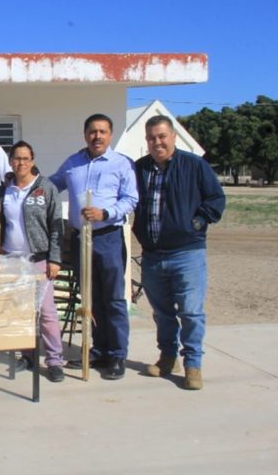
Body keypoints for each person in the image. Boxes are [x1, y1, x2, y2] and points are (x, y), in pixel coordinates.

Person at [133, 115, 225, 390]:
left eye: (161, 136)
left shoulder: (194, 165)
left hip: (187, 253)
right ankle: (167, 357)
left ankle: (193, 364)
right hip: (152, 254)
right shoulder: (140, 169)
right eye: (151, 137)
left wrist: (195, 223)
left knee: (191, 312)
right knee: (162, 313)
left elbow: (216, 199)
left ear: (173, 137)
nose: (156, 142)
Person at [50, 113, 138, 380]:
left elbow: (131, 199)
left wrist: (106, 212)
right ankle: (98, 350)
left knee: (112, 298)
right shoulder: (73, 163)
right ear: (85, 134)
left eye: (102, 131)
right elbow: (52, 185)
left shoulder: (122, 164)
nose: (97, 136)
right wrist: (24, 182)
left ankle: (117, 355)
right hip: (80, 239)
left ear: (110, 135)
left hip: (108, 237)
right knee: (90, 298)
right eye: (92, 131)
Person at [0, 141, 66, 382]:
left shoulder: (45, 188)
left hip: (39, 259)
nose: (21, 163)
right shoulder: (4, 190)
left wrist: (55, 258)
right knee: (20, 311)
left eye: (26, 158)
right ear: (11, 161)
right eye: (17, 158)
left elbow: (57, 225)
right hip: (11, 259)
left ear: (33, 160)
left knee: (46, 312)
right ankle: (27, 355)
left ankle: (55, 360)